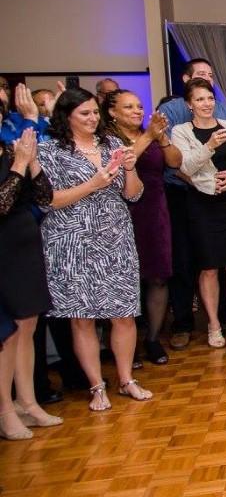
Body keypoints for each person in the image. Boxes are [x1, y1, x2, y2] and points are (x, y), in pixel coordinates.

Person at [39, 87, 149, 411]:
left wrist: (130, 168)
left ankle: (126, 379)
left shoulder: (112, 144)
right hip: (71, 241)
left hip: (115, 237)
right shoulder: (50, 151)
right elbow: (48, 200)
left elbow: (133, 195)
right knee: (83, 318)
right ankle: (97, 386)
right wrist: (93, 184)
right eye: (84, 113)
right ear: (66, 116)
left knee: (124, 314)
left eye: (95, 112)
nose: (92, 118)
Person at [159, 58, 226, 350]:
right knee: (188, 260)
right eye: (202, 75)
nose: (207, 100)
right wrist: (198, 183)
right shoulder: (172, 111)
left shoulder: (225, 111)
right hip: (184, 193)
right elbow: (173, 159)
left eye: (211, 75)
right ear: (186, 80)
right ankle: (184, 323)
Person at [171, 79, 226, 352]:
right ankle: (214, 324)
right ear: (189, 104)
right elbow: (184, 167)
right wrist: (208, 145)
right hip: (202, 204)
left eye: (209, 98)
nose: (206, 104)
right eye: (199, 99)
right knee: (208, 268)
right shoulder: (181, 131)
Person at [104, 90, 180, 365]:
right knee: (126, 280)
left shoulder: (152, 134)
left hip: (154, 210)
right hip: (122, 211)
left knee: (157, 276)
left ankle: (153, 338)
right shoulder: (107, 139)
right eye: (129, 107)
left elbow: (175, 162)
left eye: (139, 106)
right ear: (112, 112)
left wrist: (161, 137)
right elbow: (116, 167)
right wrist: (149, 135)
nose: (137, 111)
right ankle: (128, 343)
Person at [0, 129, 60, 439]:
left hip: (25, 244)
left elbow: (45, 197)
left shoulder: (12, 151)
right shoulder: (15, 159)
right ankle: (5, 410)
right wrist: (20, 164)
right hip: (3, 248)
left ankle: (28, 402)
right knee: (7, 333)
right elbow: (1, 205)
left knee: (28, 325)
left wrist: (32, 161)